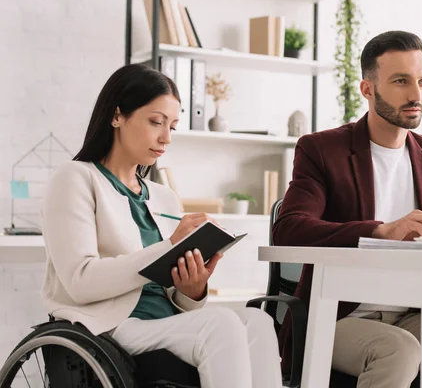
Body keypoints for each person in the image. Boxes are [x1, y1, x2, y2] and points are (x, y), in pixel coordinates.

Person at [273, 31, 422, 388]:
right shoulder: (323, 150)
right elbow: (289, 228)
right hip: (338, 316)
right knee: (399, 350)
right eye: (401, 81)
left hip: (411, 314)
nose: (416, 94)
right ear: (367, 89)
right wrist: (378, 231)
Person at [41, 64, 282, 388]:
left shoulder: (163, 197)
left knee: (259, 322)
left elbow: (173, 294)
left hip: (167, 323)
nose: (166, 138)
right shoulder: (75, 179)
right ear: (117, 116)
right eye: (155, 122)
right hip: (112, 325)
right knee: (221, 324)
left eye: (172, 126)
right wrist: (167, 247)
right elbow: (80, 282)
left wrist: (192, 288)